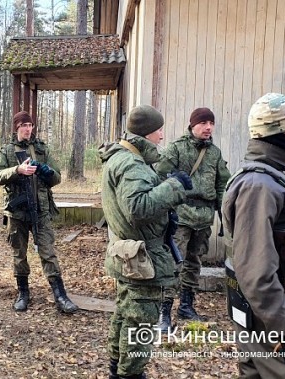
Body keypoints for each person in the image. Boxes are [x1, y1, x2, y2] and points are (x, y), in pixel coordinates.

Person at [222, 93, 285, 378]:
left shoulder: (272, 178)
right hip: (281, 319)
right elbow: (256, 276)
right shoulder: (260, 186)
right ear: (275, 133)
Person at [100, 105, 191, 379]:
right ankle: (130, 373)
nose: (162, 136)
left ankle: (117, 370)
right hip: (142, 258)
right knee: (140, 320)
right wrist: (174, 186)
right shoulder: (130, 163)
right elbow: (138, 208)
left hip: (130, 253)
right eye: (159, 130)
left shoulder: (122, 157)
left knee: (125, 314)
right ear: (148, 132)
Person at [0, 111, 78, 314]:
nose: (28, 129)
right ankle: (23, 293)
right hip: (17, 212)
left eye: (30, 125)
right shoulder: (6, 151)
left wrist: (47, 171)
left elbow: (56, 177)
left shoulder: (42, 149)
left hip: (40, 209)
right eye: (23, 125)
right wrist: (17, 171)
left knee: (48, 252)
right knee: (19, 254)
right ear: (16, 127)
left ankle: (60, 295)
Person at [155, 108, 230, 329]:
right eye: (204, 123)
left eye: (211, 123)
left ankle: (187, 306)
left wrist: (224, 214)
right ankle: (164, 312)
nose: (208, 127)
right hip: (181, 215)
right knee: (173, 263)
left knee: (194, 263)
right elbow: (160, 177)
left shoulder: (215, 153)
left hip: (204, 217)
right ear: (193, 125)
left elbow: (222, 185)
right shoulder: (177, 149)